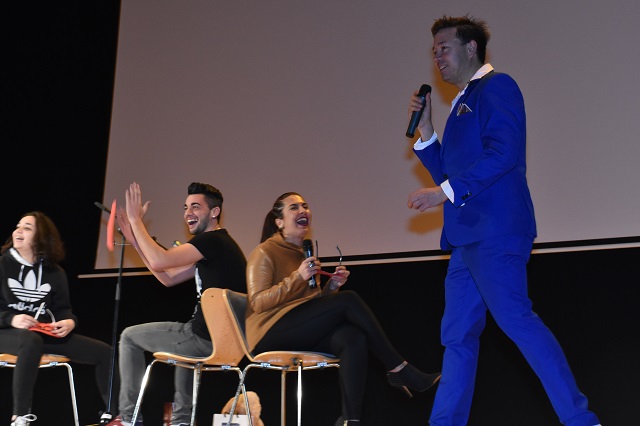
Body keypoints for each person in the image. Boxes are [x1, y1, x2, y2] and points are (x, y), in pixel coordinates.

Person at [405, 15, 601, 426]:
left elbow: (503, 153)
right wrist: (426, 133)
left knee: (517, 321)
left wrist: (443, 192)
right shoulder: (461, 102)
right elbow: (449, 174)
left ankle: (581, 420)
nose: (437, 57)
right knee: (457, 337)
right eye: (434, 51)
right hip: (465, 238)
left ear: (471, 48)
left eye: (444, 48)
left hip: (494, 230)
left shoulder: (498, 87)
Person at [246, 192, 441, 426]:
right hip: (267, 332)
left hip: (296, 328)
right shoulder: (264, 252)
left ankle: (351, 420)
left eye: (305, 206)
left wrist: (332, 286)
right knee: (348, 300)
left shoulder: (303, 255)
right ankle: (399, 368)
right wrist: (298, 277)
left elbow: (311, 303)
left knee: (353, 337)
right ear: (279, 222)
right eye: (294, 208)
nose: (303, 211)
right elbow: (258, 302)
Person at [105, 182, 247, 426]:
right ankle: (181, 421)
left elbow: (160, 261)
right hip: (223, 342)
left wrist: (136, 222)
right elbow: (167, 278)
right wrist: (135, 241)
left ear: (214, 212)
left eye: (196, 207)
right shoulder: (217, 246)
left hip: (205, 339)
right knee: (184, 347)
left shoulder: (212, 241)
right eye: (185, 207)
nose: (188, 213)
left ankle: (128, 418)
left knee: (128, 337)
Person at [0, 211, 117, 426]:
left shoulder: (55, 272)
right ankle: (20, 416)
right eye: (18, 226)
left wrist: (69, 322)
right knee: (30, 340)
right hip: (6, 333)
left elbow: (63, 309)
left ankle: (114, 414)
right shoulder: (2, 265)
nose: (18, 231)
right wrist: (11, 319)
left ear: (41, 237)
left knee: (105, 352)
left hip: (40, 334)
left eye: (27, 228)